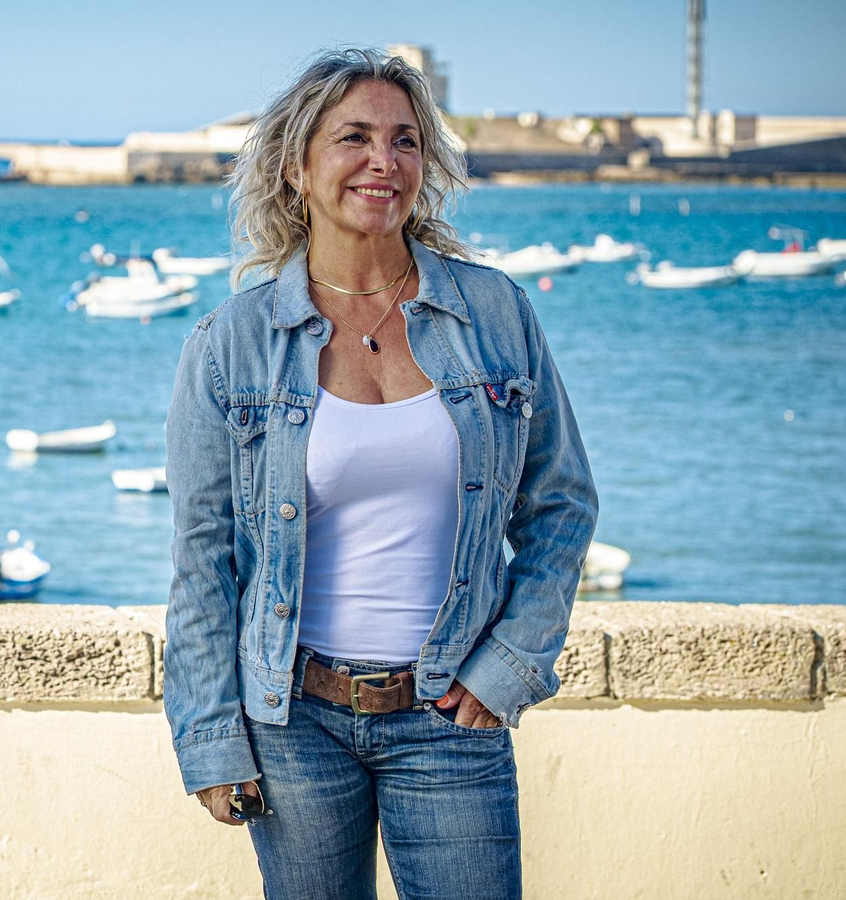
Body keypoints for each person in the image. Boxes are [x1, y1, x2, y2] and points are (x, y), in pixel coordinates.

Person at [164, 48, 598, 900]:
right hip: (291, 719)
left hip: (450, 714)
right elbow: (202, 559)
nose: (383, 161)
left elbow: (561, 505)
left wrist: (509, 662)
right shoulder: (232, 342)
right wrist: (212, 738)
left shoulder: (496, 313)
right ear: (297, 165)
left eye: (405, 141)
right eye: (354, 137)